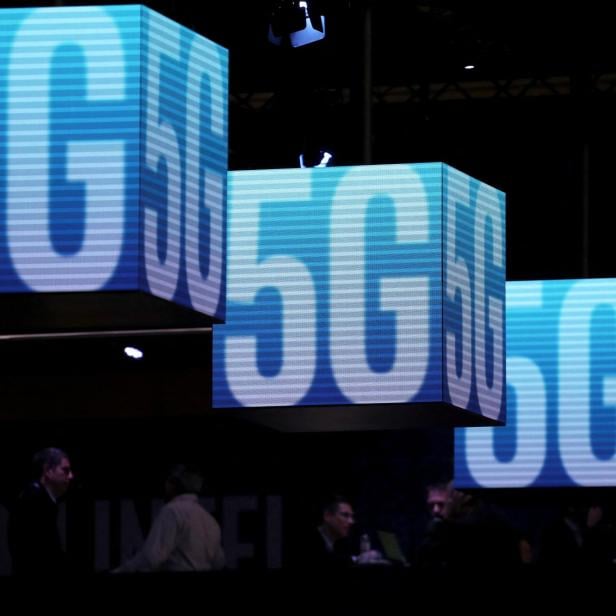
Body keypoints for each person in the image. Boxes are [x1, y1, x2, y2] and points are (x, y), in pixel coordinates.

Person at [113, 464, 225, 573]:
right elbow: (219, 562)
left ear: (173, 485)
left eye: (169, 482)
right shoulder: (210, 520)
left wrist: (122, 570)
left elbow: (151, 557)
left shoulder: (172, 511)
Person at [7, 447, 74, 576]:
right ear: (48, 470)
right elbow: (42, 553)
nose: (71, 476)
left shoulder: (37, 497)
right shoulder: (34, 501)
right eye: (65, 470)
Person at [296, 493, 381, 568]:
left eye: (352, 516)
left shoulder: (339, 543)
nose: (352, 522)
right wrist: (357, 559)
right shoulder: (308, 542)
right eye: (345, 515)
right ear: (327, 516)